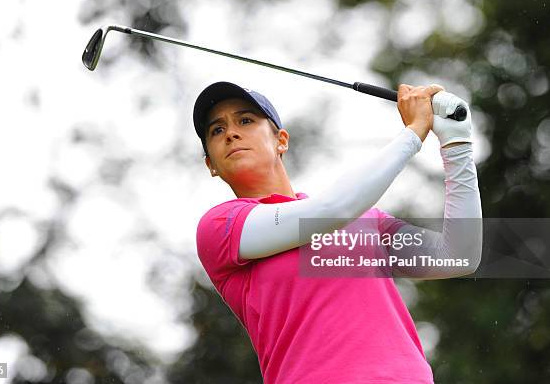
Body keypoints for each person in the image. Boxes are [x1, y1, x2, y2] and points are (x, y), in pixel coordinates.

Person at [193, 81, 482, 383]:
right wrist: (413, 133)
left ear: (281, 140)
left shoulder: (366, 221)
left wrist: (456, 142)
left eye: (245, 120)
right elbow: (331, 210)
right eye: (216, 130)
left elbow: (458, 256)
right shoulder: (221, 227)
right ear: (211, 164)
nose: (231, 133)